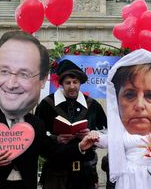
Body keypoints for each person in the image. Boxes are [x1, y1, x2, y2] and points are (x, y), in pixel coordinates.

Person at [0, 31, 98, 189]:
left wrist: (80, 147)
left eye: (24, 74)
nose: (12, 84)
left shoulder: (36, 124)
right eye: (5, 71)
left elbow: (53, 152)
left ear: (42, 81)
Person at [96, 49, 151, 188]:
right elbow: (109, 140)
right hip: (128, 178)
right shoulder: (123, 129)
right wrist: (93, 136)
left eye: (150, 95)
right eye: (130, 95)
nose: (139, 105)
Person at [35, 59, 108, 189]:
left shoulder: (93, 105)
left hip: (85, 172)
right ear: (61, 84)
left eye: (75, 82)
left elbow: (107, 132)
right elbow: (37, 136)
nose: (72, 86)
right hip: (56, 172)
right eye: (68, 83)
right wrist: (55, 138)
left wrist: (92, 135)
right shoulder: (46, 105)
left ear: (80, 83)